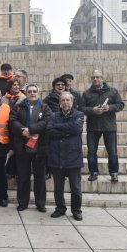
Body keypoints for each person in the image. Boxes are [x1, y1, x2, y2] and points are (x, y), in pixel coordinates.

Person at [9, 84, 52, 212]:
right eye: (29, 91)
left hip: (40, 148)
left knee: (40, 178)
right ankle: (22, 203)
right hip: (22, 147)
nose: (32, 93)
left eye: (34, 91)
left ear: (38, 93)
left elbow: (47, 122)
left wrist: (31, 129)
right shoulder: (18, 106)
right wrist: (23, 131)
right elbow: (12, 121)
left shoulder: (45, 107)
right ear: (25, 93)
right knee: (22, 177)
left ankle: (40, 204)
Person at [79, 70, 124, 182]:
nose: (95, 79)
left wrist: (109, 108)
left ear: (102, 78)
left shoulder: (112, 91)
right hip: (93, 127)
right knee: (91, 152)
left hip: (109, 126)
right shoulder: (86, 93)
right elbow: (80, 108)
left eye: (98, 77)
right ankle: (93, 172)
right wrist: (93, 110)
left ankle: (114, 173)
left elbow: (120, 105)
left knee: (112, 151)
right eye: (93, 77)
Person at [47, 92, 84, 221]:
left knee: (76, 187)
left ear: (72, 102)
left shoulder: (79, 114)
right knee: (58, 187)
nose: (65, 102)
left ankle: (76, 210)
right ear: (59, 102)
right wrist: (67, 132)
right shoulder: (53, 116)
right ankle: (60, 208)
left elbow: (76, 129)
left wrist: (59, 128)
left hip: (73, 156)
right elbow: (50, 131)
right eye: (63, 100)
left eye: (68, 100)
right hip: (57, 156)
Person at [1, 78, 26, 179]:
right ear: (9, 87)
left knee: (18, 149)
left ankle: (18, 172)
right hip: (5, 127)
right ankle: (9, 170)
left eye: (17, 85)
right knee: (8, 149)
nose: (16, 87)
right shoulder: (3, 98)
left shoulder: (23, 98)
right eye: (14, 85)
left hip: (18, 126)